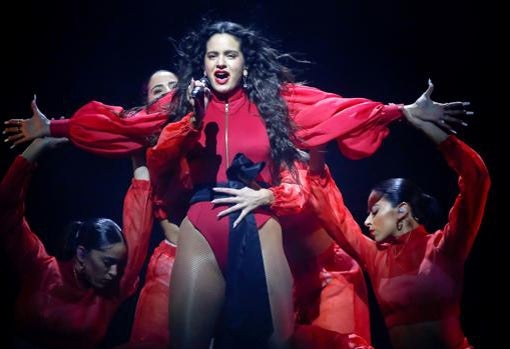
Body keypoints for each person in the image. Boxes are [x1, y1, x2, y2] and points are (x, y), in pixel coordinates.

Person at [143, 21, 468, 349]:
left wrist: (402, 111)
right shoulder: (183, 107)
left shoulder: (275, 102)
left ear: (246, 63)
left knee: (277, 342)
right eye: (213, 56)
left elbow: (338, 110)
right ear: (203, 63)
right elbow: (153, 157)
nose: (221, 63)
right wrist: (192, 120)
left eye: (231, 55)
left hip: (259, 223)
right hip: (202, 227)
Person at [305, 90, 490, 348]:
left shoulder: (444, 247)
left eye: (375, 211)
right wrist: (318, 141)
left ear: (402, 210)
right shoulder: (375, 256)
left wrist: (423, 125)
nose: (367, 222)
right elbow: (333, 214)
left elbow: (476, 179)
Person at [0, 137, 154, 349]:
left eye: (118, 264)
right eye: (107, 262)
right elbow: (6, 210)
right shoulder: (41, 269)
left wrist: (137, 150)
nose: (114, 272)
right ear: (82, 254)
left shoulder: (113, 287)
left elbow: (140, 225)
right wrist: (36, 148)